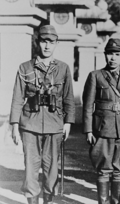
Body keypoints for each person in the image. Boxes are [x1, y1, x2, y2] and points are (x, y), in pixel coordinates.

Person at [10, 25, 75, 204]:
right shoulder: (25, 68)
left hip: (55, 124)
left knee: (51, 166)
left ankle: (48, 198)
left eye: (51, 42)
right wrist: (14, 126)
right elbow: (17, 97)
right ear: (37, 43)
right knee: (31, 166)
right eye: (43, 41)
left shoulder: (63, 68)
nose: (47, 46)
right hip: (30, 123)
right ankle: (33, 200)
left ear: (56, 44)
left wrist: (68, 123)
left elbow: (68, 96)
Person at [82, 38, 120, 204]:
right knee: (103, 170)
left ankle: (116, 202)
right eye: (110, 54)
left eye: (117, 54)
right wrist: (88, 130)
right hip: (103, 129)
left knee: (119, 170)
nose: (113, 58)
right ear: (105, 55)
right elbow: (87, 105)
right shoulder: (95, 76)